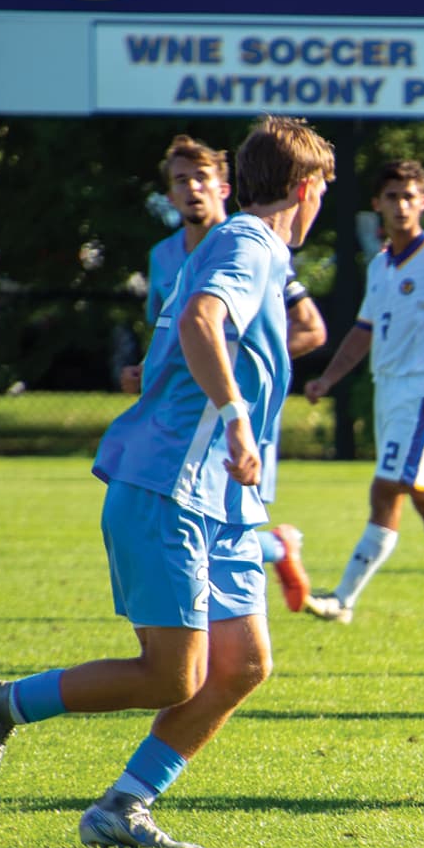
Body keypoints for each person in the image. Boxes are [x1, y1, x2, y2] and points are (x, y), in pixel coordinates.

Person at [0, 115, 336, 848]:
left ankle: (122, 807)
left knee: (242, 665)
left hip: (223, 500)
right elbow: (200, 320)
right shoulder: (251, 243)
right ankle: (0, 703)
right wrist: (236, 417)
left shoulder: (241, 247)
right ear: (303, 188)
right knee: (173, 676)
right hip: (170, 486)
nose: (320, 202)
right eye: (321, 188)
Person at [120, 134, 323, 613]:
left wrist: (241, 373)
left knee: (226, 541)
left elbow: (308, 328)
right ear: (169, 194)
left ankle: (275, 550)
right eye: (181, 180)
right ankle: (275, 551)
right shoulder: (174, 254)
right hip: (189, 443)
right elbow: (183, 328)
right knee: (190, 636)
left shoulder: (247, 243)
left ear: (225, 188)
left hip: (228, 429)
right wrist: (151, 369)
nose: (192, 188)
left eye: (201, 178)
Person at [301, 160, 424, 624]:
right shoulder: (381, 265)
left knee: (386, 489)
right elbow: (363, 331)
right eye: (392, 196)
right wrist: (328, 379)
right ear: (378, 203)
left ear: (423, 202)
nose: (401, 205)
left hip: (423, 391)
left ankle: (343, 599)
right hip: (388, 390)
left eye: (410, 196)